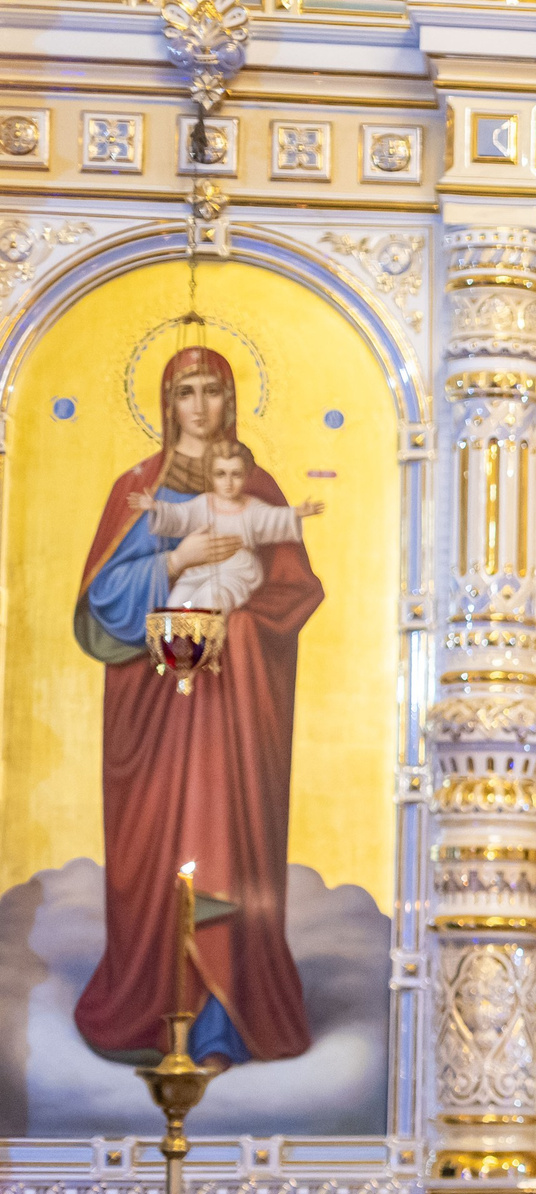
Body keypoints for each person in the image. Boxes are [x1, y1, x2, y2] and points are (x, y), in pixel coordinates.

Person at [73, 347, 322, 1070]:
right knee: (155, 851)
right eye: (186, 391)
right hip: (155, 708)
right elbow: (101, 602)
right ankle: (151, 1010)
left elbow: (293, 589)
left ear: (231, 399)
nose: (200, 405)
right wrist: (176, 563)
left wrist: (236, 625)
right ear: (165, 400)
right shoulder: (138, 488)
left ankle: (221, 1025)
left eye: (213, 390)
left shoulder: (259, 486)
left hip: (235, 713)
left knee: (229, 845)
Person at [131, 439, 324, 616]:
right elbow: (180, 516)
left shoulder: (252, 508)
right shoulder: (204, 503)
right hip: (201, 567)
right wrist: (156, 507)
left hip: (237, 570)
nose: (228, 483)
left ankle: (208, 650)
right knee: (175, 602)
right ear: (210, 475)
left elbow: (273, 518)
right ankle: (178, 651)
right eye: (221, 474)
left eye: (236, 475)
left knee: (211, 599)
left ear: (246, 475)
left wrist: (297, 513)